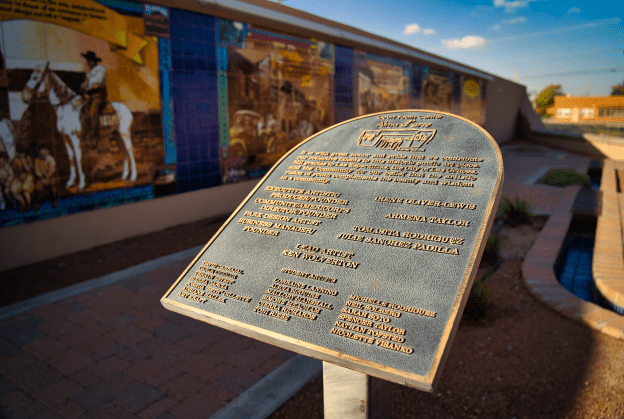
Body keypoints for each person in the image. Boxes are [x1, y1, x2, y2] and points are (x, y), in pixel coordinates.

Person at [80, 51, 107, 148]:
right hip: (90, 96)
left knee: (93, 113)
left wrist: (86, 84)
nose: (88, 62)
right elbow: (84, 86)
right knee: (81, 111)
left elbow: (96, 82)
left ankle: (95, 136)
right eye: (87, 60)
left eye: (89, 60)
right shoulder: (90, 72)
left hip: (98, 95)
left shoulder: (100, 69)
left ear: (93, 61)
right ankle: (86, 134)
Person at [9, 145, 34, 212]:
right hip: (19, 177)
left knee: (25, 188)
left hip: (28, 176)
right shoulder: (15, 160)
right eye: (20, 153)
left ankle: (29, 204)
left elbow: (28, 170)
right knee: (13, 190)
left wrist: (24, 162)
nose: (21, 154)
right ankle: (23, 204)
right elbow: (14, 171)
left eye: (22, 153)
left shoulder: (27, 158)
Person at [33, 143, 58, 210]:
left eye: (45, 150)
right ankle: (38, 202)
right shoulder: (37, 160)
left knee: (53, 185)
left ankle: (54, 200)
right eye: (42, 151)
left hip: (50, 176)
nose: (43, 152)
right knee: (38, 188)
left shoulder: (51, 159)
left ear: (48, 151)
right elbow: (37, 171)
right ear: (39, 152)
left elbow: (52, 170)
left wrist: (48, 177)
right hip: (41, 177)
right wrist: (41, 177)